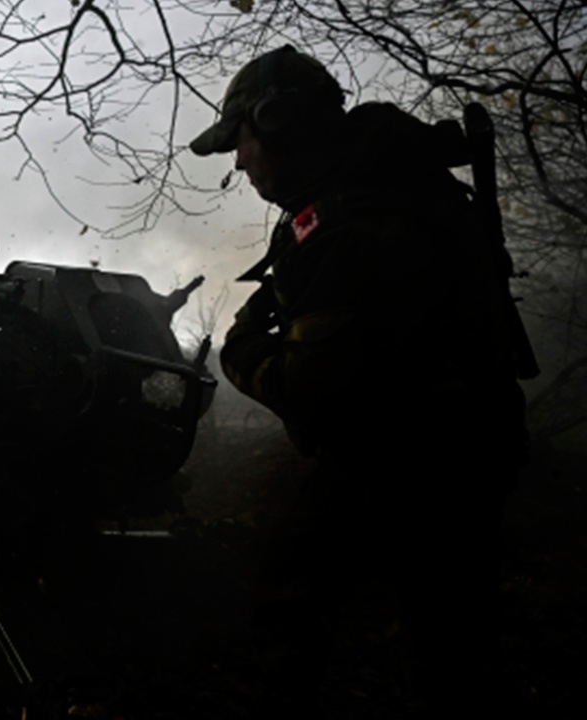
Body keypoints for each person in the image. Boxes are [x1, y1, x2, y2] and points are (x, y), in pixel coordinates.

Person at [189, 45, 529, 716]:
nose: (238, 160)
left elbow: (321, 394)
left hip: (423, 458)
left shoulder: (361, 220)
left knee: (305, 602)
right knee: (450, 643)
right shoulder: (380, 186)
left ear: (278, 123)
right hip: (437, 443)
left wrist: (242, 353)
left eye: (242, 139)